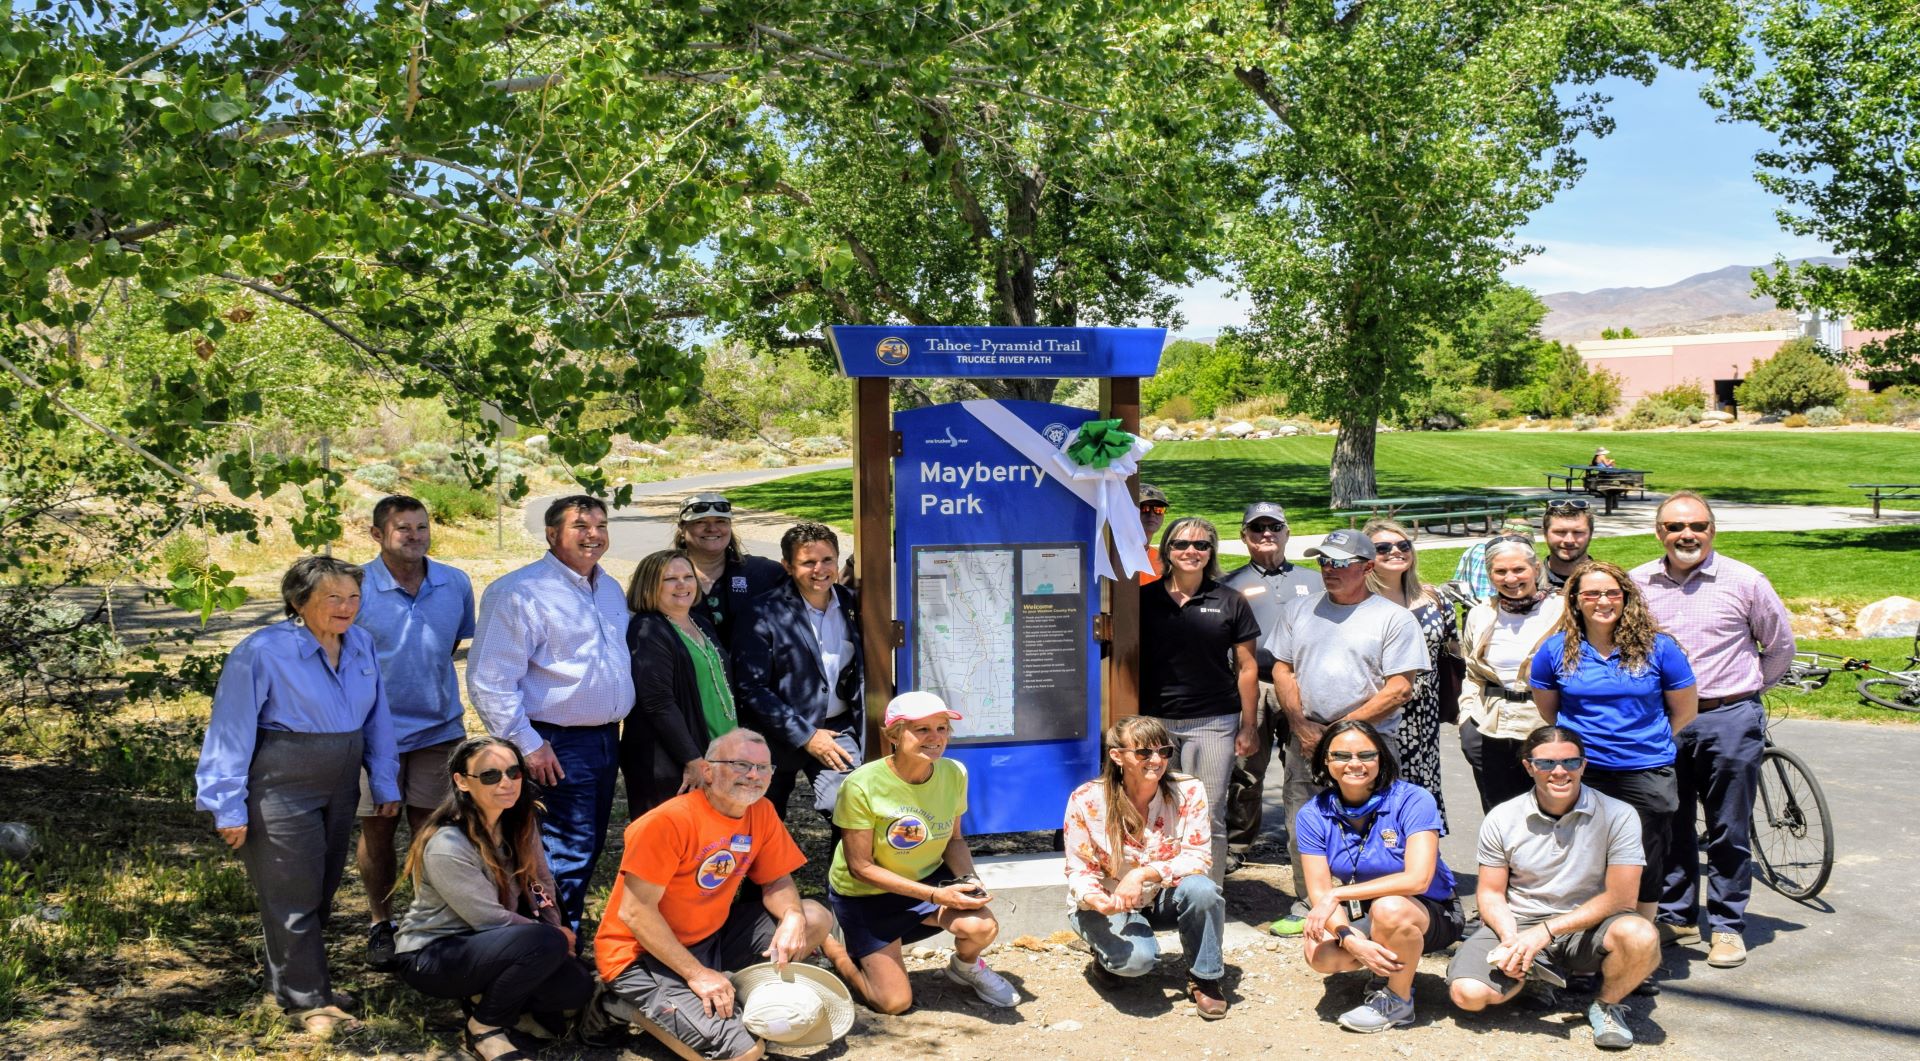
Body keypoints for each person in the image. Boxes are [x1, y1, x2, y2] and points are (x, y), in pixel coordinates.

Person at [194, 556, 399, 1036]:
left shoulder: (362, 643)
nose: (346, 607)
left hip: (342, 779)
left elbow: (378, 719)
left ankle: (289, 987)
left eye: (353, 597)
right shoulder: (262, 651)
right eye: (333, 598)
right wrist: (227, 806)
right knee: (292, 891)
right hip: (281, 781)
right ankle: (310, 1002)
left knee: (321, 889)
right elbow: (230, 730)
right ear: (298, 601)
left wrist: (384, 781)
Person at [594, 728, 836, 1061]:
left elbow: (776, 880)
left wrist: (792, 915)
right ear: (707, 771)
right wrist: (697, 974)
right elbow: (635, 913)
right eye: (740, 765)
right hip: (639, 955)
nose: (753, 775)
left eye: (763, 768)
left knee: (813, 917)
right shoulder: (667, 822)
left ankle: (722, 995)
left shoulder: (761, 811)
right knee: (746, 1053)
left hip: (710, 938)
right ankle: (621, 1007)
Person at [1631, 490, 1795, 969]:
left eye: (1697, 526)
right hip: (1661, 720)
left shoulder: (1745, 581)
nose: (1687, 535)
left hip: (1728, 718)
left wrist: (1743, 694)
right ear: (1659, 533)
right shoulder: (1638, 583)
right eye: (1675, 527)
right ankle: (1677, 914)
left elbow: (1780, 646)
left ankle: (1726, 926)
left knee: (1728, 826)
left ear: (1712, 530)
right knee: (1668, 820)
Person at [468, 495, 635, 933]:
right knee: (561, 853)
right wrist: (528, 746)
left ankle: (556, 940)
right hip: (553, 742)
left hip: (603, 739)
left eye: (601, 525)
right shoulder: (519, 592)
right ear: (551, 534)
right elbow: (490, 681)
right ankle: (551, 945)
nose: (594, 535)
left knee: (586, 846)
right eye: (580, 526)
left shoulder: (609, 589)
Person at [1446, 726, 1661, 1051]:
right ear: (1529, 766)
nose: (1559, 771)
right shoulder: (1503, 817)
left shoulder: (1618, 814)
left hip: (1588, 927)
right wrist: (1511, 939)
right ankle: (1531, 976)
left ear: (1583, 765)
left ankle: (1607, 1005)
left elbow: (1622, 898)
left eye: (1570, 762)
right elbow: (1490, 892)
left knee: (1641, 935)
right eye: (1546, 763)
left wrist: (1546, 932)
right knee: (1468, 995)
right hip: (1520, 923)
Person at [1267, 528, 1430, 937]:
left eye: (1340, 562)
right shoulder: (1300, 610)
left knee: (1377, 827)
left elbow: (1400, 688)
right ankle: (1310, 903)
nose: (1329, 569)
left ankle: (1378, 906)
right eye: (1324, 560)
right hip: (1306, 736)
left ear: (1368, 567)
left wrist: (1339, 735)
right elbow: (1282, 669)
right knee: (1302, 820)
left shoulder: (1393, 618)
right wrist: (1301, 724)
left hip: (1370, 742)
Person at [392, 736, 593, 1061]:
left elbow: (542, 883)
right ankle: (485, 1027)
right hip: (434, 953)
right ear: (462, 781)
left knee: (575, 986)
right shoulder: (448, 844)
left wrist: (560, 934)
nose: (506, 782)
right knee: (546, 943)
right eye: (490, 775)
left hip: (498, 943)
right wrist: (554, 937)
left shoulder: (518, 820)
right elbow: (488, 919)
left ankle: (487, 997)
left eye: (514, 772)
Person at [820, 692, 1019, 1013]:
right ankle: (834, 948)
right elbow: (860, 868)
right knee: (893, 1003)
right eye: (922, 729)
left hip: (926, 880)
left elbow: (954, 840)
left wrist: (969, 880)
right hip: (866, 895)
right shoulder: (860, 785)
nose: (935, 737)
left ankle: (966, 966)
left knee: (981, 927)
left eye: (942, 728)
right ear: (894, 736)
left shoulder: (954, 773)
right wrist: (937, 896)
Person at [1533, 561, 1698, 922]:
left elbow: (1685, 710)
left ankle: (1640, 935)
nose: (1603, 601)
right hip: (1582, 772)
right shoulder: (1554, 650)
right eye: (1592, 593)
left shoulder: (1660, 648)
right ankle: (1584, 937)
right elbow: (1550, 712)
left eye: (1612, 593)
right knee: (1582, 855)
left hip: (1646, 770)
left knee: (1644, 856)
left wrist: (1643, 739)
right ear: (1576, 600)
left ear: (1626, 597)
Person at [353, 494, 477, 971]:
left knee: (434, 831)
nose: (414, 536)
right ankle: (380, 923)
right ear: (377, 534)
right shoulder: (356, 586)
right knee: (378, 827)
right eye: (402, 528)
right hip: (372, 734)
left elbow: (452, 642)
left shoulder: (454, 582)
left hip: (439, 730)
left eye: (421, 527)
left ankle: (426, 923)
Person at [1296, 720, 1462, 1034]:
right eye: (1341, 755)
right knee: (1320, 952)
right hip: (1367, 909)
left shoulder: (1413, 799)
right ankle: (1384, 969)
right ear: (1325, 761)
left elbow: (1417, 879)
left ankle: (1398, 1000)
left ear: (1381, 758)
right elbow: (1319, 891)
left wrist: (1338, 895)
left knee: (1389, 907)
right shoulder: (1313, 813)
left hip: (1431, 911)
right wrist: (1348, 939)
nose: (1354, 764)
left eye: (1366, 755)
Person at [1064, 716, 1228, 1018]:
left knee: (1203, 889)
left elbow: (1199, 857)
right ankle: (1106, 956)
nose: (1157, 760)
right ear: (1117, 756)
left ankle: (1205, 978)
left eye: (1164, 752)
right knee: (1136, 963)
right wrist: (1096, 900)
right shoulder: (1086, 799)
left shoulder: (1188, 791)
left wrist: (1143, 874)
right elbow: (1079, 869)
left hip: (1162, 896)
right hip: (1110, 901)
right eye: (1143, 753)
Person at [1138, 516, 1261, 882]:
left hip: (1213, 721)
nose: (1191, 551)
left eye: (1201, 545)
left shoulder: (1230, 601)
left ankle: (1208, 892)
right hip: (1155, 723)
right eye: (1181, 544)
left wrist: (1249, 725)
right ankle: (1159, 891)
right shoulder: (1143, 599)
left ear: (1211, 552)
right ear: (1167, 551)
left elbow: (1247, 667)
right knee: (1154, 810)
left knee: (1208, 811)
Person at [732, 522, 863, 823]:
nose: (820, 569)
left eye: (827, 560)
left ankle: (844, 857)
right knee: (760, 816)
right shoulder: (761, 612)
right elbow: (752, 688)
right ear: (788, 566)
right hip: (773, 733)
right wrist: (806, 734)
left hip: (837, 729)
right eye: (808, 562)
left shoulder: (853, 604)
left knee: (850, 804)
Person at [1219, 501, 1318, 873]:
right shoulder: (1229, 583)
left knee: (1306, 767)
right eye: (1257, 528)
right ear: (1244, 536)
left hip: (1302, 683)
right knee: (1245, 768)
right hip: (1254, 684)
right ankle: (1237, 842)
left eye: (1274, 527)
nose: (1266, 534)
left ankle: (1308, 846)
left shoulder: (1316, 580)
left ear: (1287, 532)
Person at [622, 549, 735, 819]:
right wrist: (691, 758)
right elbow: (657, 702)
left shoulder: (699, 621)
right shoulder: (648, 629)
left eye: (688, 576)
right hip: (669, 758)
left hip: (713, 747)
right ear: (649, 586)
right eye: (670, 579)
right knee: (671, 833)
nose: (682, 584)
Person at [1457, 538, 1566, 813]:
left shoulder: (1563, 610)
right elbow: (1473, 673)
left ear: (1536, 568)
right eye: (1500, 571)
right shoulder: (1481, 614)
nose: (1510, 579)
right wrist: (1466, 718)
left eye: (1519, 569)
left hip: (1546, 727)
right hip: (1490, 727)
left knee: (1553, 812)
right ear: (1489, 574)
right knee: (1501, 815)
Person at [1362, 518, 1455, 824]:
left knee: (1422, 782)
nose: (1395, 551)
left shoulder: (1436, 599)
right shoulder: (1359, 603)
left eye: (1403, 545)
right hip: (1380, 706)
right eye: (1383, 548)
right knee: (1379, 781)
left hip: (1425, 710)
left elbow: (1452, 651)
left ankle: (1422, 843)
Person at [674, 492, 786, 649]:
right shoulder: (661, 576)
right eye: (700, 522)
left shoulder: (764, 572)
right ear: (682, 527)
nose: (712, 528)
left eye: (721, 521)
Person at [1452, 516, 1535, 603]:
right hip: (1502, 606)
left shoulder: (1472, 550)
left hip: (1472, 604)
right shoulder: (1519, 555)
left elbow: (1458, 583)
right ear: (1524, 537)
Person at [1543, 499, 1596, 590]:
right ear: (1545, 533)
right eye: (1560, 532)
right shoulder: (1529, 582)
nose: (1569, 540)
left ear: (1590, 534)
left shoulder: (1609, 583)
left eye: (1577, 532)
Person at [1135, 483, 1169, 584]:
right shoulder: (1116, 555)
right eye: (1144, 508)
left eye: (1158, 509)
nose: (1152, 514)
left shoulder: (1161, 560)